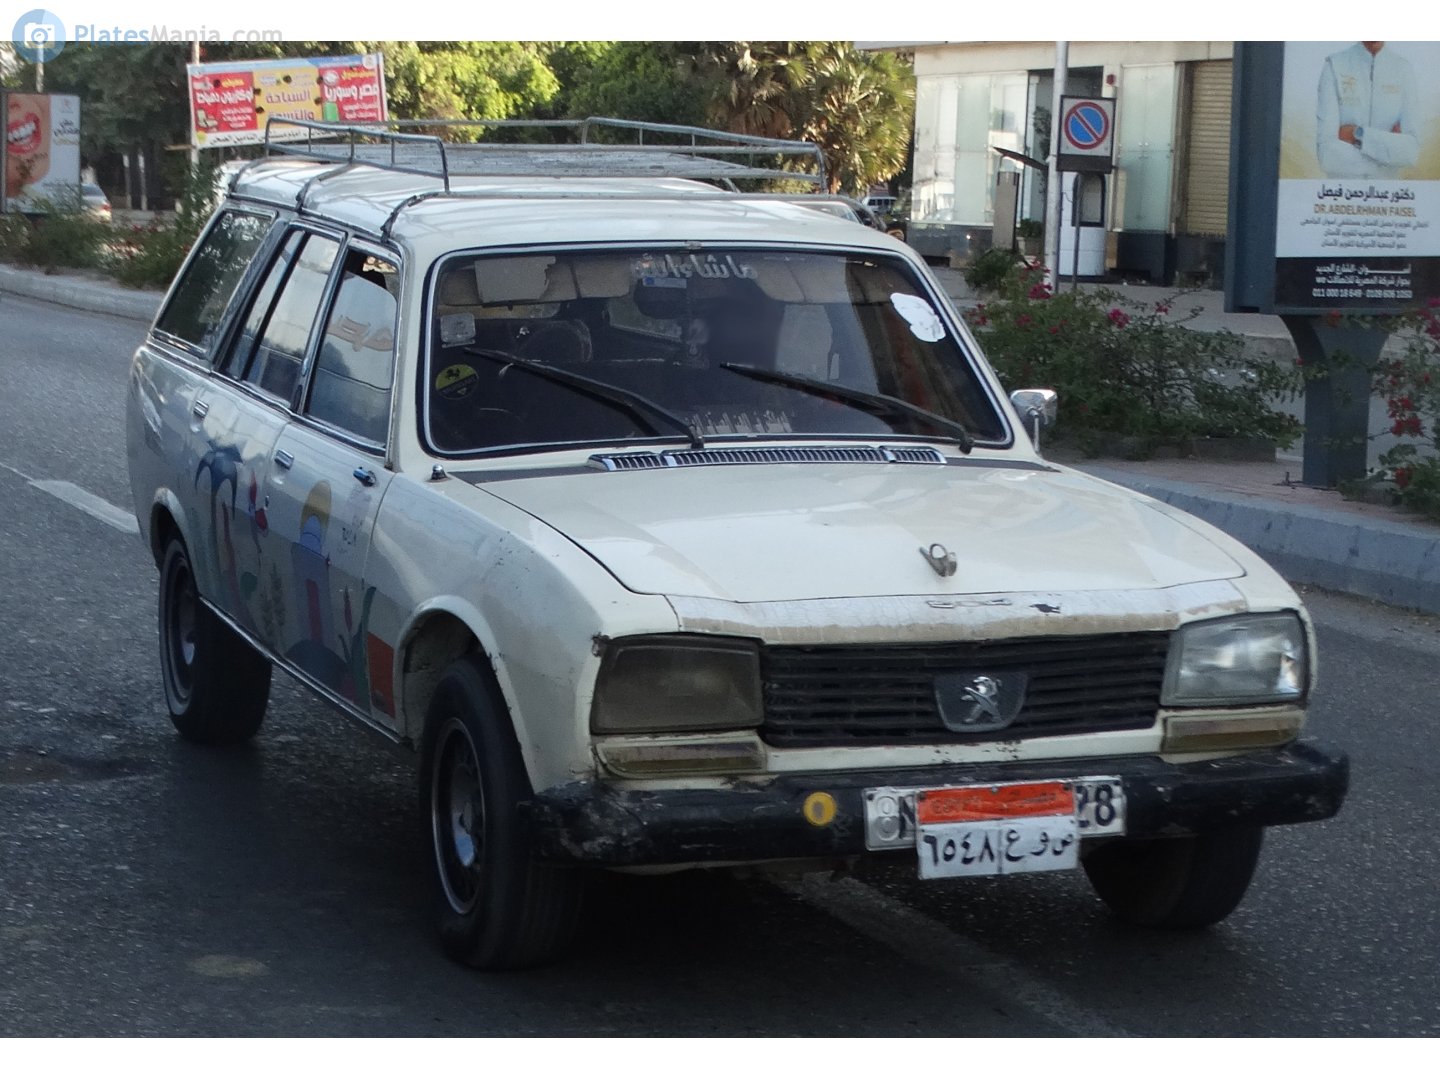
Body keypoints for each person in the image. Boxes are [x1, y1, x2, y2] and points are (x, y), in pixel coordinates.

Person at [1316, 41, 1419, 180]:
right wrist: (1389, 153)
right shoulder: (1334, 65)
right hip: (1343, 191)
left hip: (1388, 191)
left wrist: (1358, 135)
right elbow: (1326, 156)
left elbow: (1411, 152)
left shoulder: (1403, 69)